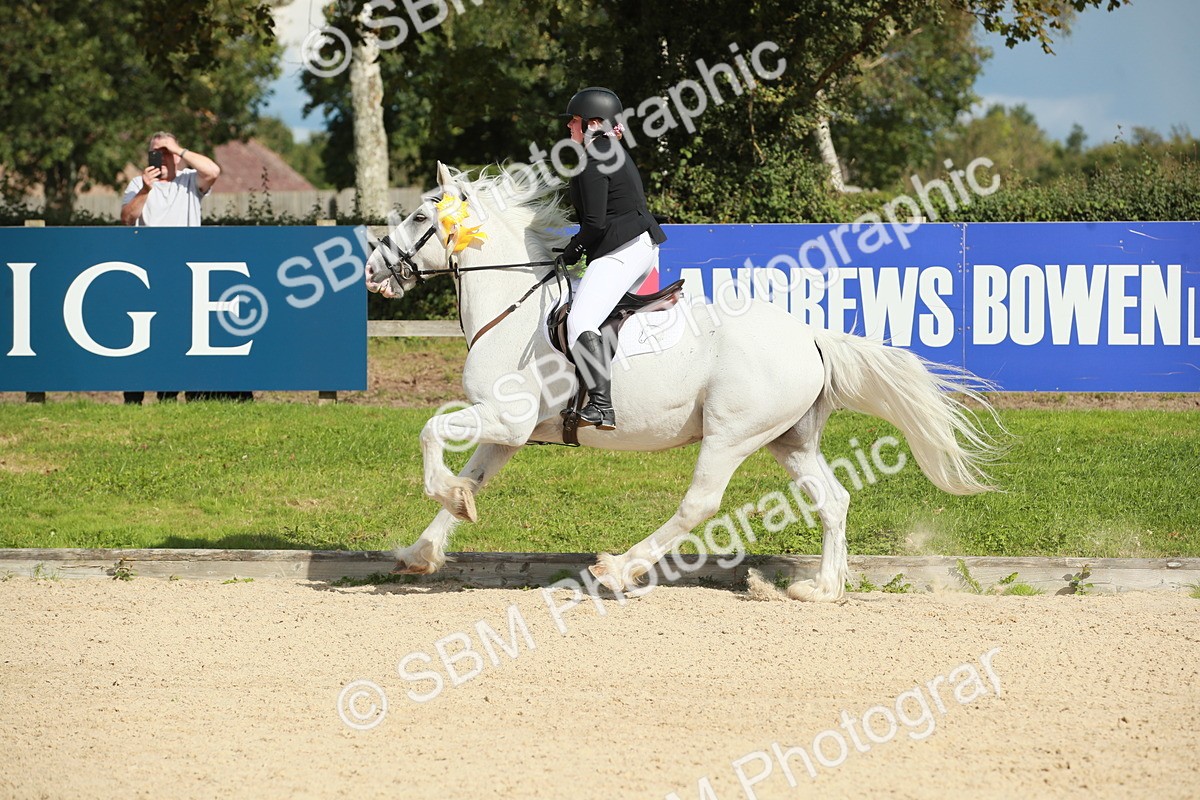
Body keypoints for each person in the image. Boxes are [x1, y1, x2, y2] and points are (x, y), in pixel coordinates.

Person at [558, 87, 667, 431]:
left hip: (622, 248)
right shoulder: (612, 151)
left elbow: (594, 223)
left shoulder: (593, 158)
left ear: (591, 123)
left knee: (580, 321)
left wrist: (571, 251)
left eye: (573, 121)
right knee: (603, 318)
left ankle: (602, 407)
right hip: (640, 246)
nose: (569, 129)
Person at [119, 133, 248, 403]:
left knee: (181, 335)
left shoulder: (189, 179)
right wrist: (145, 189)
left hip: (186, 271)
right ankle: (135, 398)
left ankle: (170, 396)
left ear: (178, 155)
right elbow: (127, 218)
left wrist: (178, 149)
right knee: (148, 336)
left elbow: (213, 171)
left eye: (166, 152)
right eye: (156, 152)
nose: (162, 156)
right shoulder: (137, 183)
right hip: (149, 270)